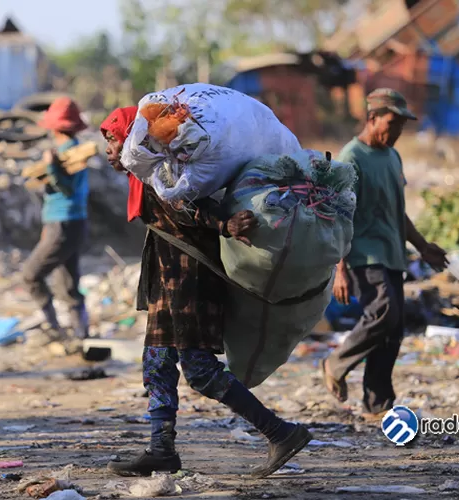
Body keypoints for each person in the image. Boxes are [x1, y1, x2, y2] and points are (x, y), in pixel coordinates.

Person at [100, 107, 312, 478]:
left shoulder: (159, 172)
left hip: (188, 282)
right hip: (168, 284)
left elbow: (188, 204)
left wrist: (225, 224)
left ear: (132, 140)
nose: (109, 150)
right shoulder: (145, 174)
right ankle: (161, 448)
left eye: (113, 139)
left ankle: (280, 432)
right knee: (157, 365)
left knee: (198, 370)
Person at [320, 89, 449, 418]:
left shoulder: (393, 157)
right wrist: (340, 268)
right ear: (372, 118)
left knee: (392, 332)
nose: (397, 132)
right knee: (385, 312)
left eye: (402, 125)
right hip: (362, 254)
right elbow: (338, 214)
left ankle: (378, 405)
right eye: (392, 123)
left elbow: (398, 210)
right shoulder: (352, 158)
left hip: (393, 253)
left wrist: (422, 247)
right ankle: (336, 362)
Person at [22, 97, 90, 339]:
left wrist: (51, 167)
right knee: (69, 284)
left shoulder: (70, 153)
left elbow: (67, 190)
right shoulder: (73, 150)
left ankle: (53, 327)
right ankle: (81, 336)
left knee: (30, 275)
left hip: (63, 223)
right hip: (69, 223)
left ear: (54, 127)